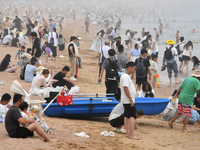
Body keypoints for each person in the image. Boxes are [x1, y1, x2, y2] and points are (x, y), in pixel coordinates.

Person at [120, 61, 140, 140]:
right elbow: (125, 88)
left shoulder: (126, 76)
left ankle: (128, 133)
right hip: (128, 100)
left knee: (127, 116)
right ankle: (131, 134)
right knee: (132, 116)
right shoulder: (125, 76)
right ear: (129, 67)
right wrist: (131, 99)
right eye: (133, 69)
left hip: (126, 99)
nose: (133, 71)